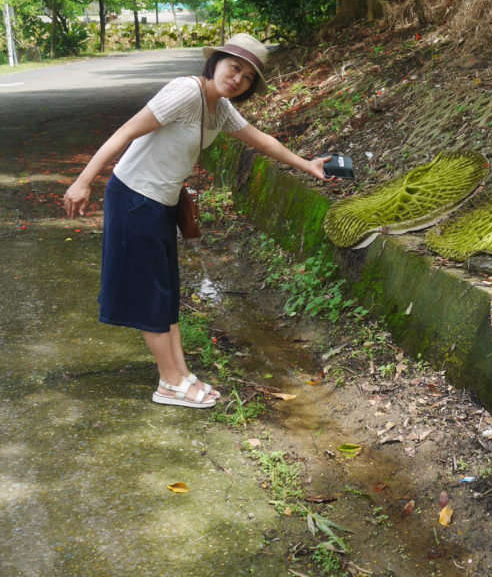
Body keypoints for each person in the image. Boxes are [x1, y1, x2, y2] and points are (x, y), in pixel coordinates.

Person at [63, 33, 332, 409]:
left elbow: (261, 140)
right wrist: (83, 180)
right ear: (216, 63)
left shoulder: (218, 107)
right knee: (149, 295)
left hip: (161, 204)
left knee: (166, 293)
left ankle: (181, 374)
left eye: (247, 77)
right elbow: (126, 131)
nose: (237, 79)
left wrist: (307, 164)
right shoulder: (185, 92)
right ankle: (169, 382)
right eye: (234, 67)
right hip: (134, 198)